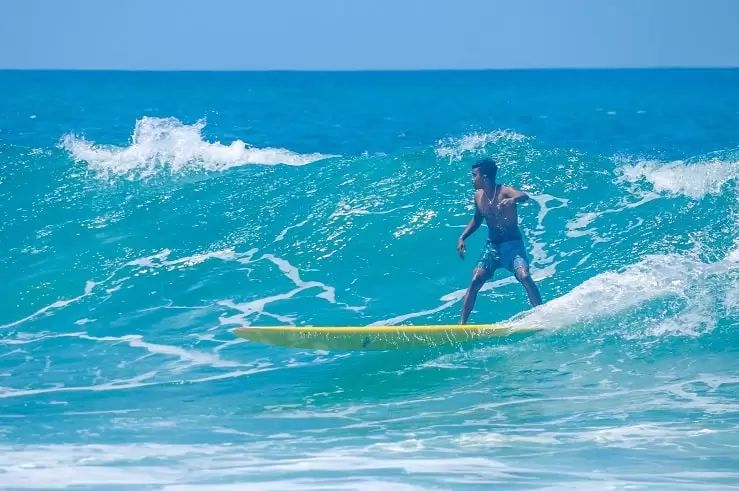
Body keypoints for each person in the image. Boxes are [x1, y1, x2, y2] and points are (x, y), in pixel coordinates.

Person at [457, 158, 542, 324]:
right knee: (475, 281)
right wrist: (462, 237)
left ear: (485, 178)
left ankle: (542, 314)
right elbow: (477, 219)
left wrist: (513, 200)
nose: (472, 179)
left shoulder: (504, 191)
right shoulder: (478, 196)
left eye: (474, 175)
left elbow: (524, 196)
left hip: (513, 247)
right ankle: (461, 325)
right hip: (492, 248)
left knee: (524, 276)